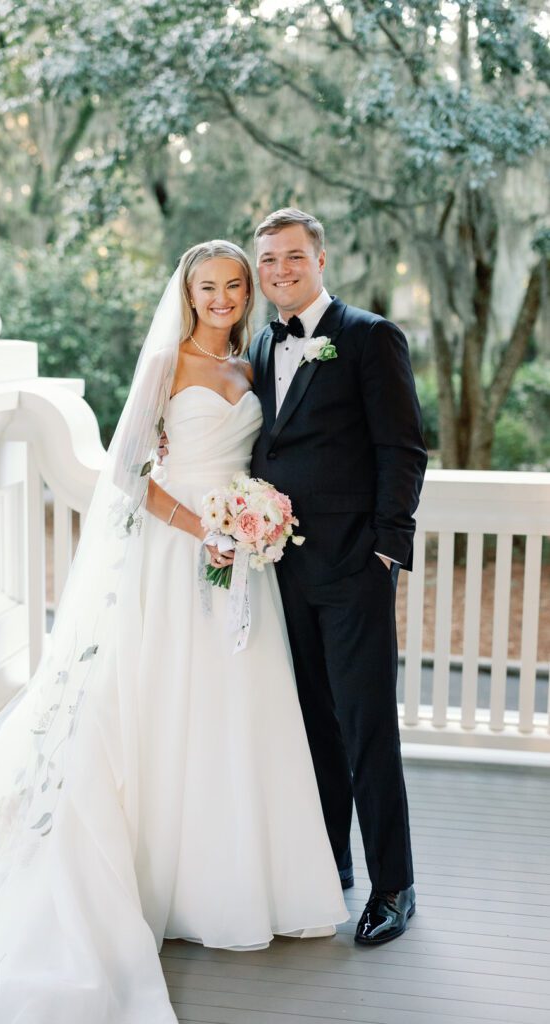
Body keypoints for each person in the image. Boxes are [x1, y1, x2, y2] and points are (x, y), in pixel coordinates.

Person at [0, 240, 347, 1024]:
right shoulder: (168, 365)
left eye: (233, 285)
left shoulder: (254, 366)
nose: (222, 298)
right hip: (174, 554)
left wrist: (254, 520)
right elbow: (128, 476)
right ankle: (154, 873)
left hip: (240, 562)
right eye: (207, 287)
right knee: (158, 704)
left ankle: (225, 880)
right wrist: (205, 527)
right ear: (186, 294)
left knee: (234, 713)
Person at [249, 208, 428, 944]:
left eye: (292, 256)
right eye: (268, 261)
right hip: (278, 569)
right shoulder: (260, 343)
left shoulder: (368, 336)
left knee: (366, 729)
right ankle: (331, 865)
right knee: (311, 726)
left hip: (353, 567)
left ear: (319, 259)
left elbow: (402, 447)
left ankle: (394, 885)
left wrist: (385, 550)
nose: (279, 271)